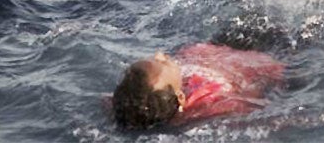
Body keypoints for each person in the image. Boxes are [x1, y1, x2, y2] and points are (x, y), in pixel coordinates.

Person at [111, 43, 285, 130]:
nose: (160, 54)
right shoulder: (219, 107)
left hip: (223, 52)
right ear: (180, 97)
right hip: (265, 55)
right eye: (163, 63)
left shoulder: (133, 104)